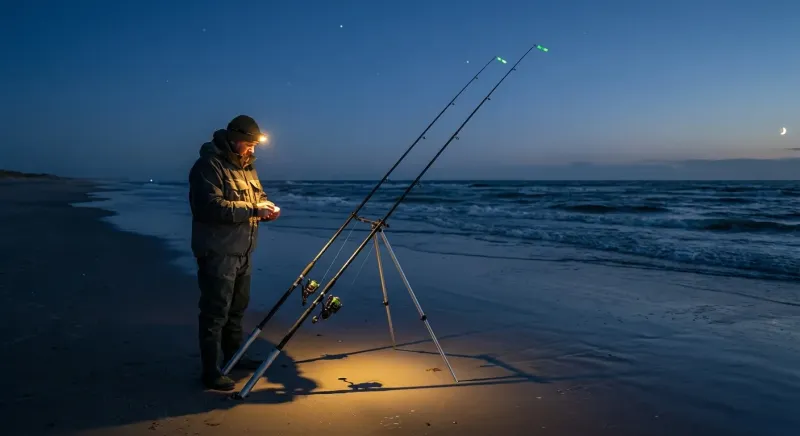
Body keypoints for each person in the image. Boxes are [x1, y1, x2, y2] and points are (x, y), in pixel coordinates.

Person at [188, 115, 280, 391]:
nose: (253, 150)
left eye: (255, 145)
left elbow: (257, 197)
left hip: (244, 250)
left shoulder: (247, 168)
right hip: (217, 251)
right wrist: (253, 210)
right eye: (249, 144)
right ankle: (211, 370)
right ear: (233, 139)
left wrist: (266, 207)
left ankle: (235, 356)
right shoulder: (207, 166)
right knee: (215, 311)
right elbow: (209, 207)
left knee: (237, 310)